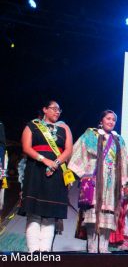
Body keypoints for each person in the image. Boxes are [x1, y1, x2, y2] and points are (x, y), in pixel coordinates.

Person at [68, 110, 128, 253]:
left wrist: (124, 181)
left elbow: (124, 161)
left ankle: (103, 246)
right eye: (108, 119)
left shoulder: (118, 139)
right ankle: (91, 247)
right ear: (101, 120)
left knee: (108, 213)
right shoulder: (92, 134)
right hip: (95, 178)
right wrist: (83, 173)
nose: (111, 122)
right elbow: (79, 150)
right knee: (93, 213)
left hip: (112, 179)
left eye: (113, 120)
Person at [18, 100, 73, 252]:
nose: (57, 112)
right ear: (44, 109)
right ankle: (33, 250)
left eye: (59, 109)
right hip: (35, 169)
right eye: (54, 108)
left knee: (50, 212)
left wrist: (55, 162)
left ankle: (45, 251)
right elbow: (26, 147)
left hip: (56, 172)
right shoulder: (32, 126)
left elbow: (68, 150)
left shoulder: (64, 128)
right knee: (34, 211)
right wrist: (45, 160)